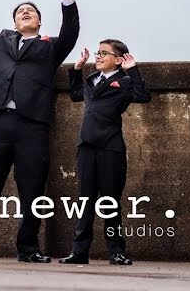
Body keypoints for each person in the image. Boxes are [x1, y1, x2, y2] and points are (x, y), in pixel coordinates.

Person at [0, 0, 81, 263]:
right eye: (20, 12)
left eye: (30, 11)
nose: (25, 13)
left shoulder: (50, 47)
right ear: (15, 23)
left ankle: (28, 248)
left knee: (32, 190)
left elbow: (70, 33)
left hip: (32, 126)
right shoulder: (2, 40)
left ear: (40, 22)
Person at [59, 41, 149, 266]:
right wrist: (77, 69)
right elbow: (76, 94)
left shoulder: (125, 81)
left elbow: (143, 95)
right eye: (97, 53)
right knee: (85, 200)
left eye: (103, 53)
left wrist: (133, 70)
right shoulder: (91, 80)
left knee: (110, 201)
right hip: (86, 146)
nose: (97, 56)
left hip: (110, 147)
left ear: (118, 60)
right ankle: (79, 251)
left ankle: (116, 251)